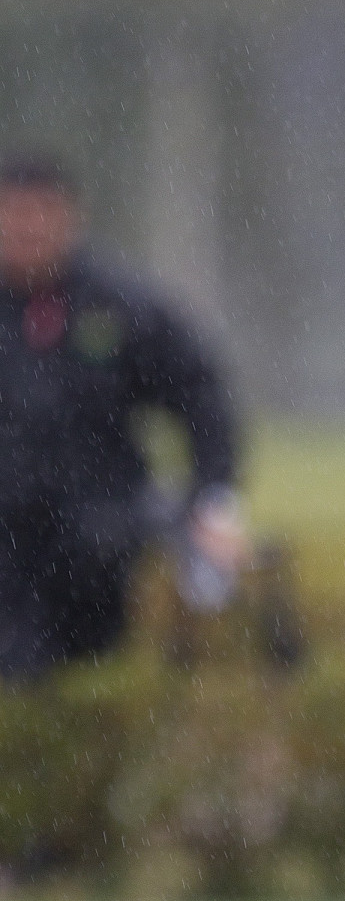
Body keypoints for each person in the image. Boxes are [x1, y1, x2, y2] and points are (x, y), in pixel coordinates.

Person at [0, 154, 246, 678]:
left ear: (71, 217)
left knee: (91, 678)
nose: (26, 230)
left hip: (100, 530)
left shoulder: (118, 305)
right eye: (12, 216)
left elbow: (202, 396)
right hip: (7, 538)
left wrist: (210, 497)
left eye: (40, 214)